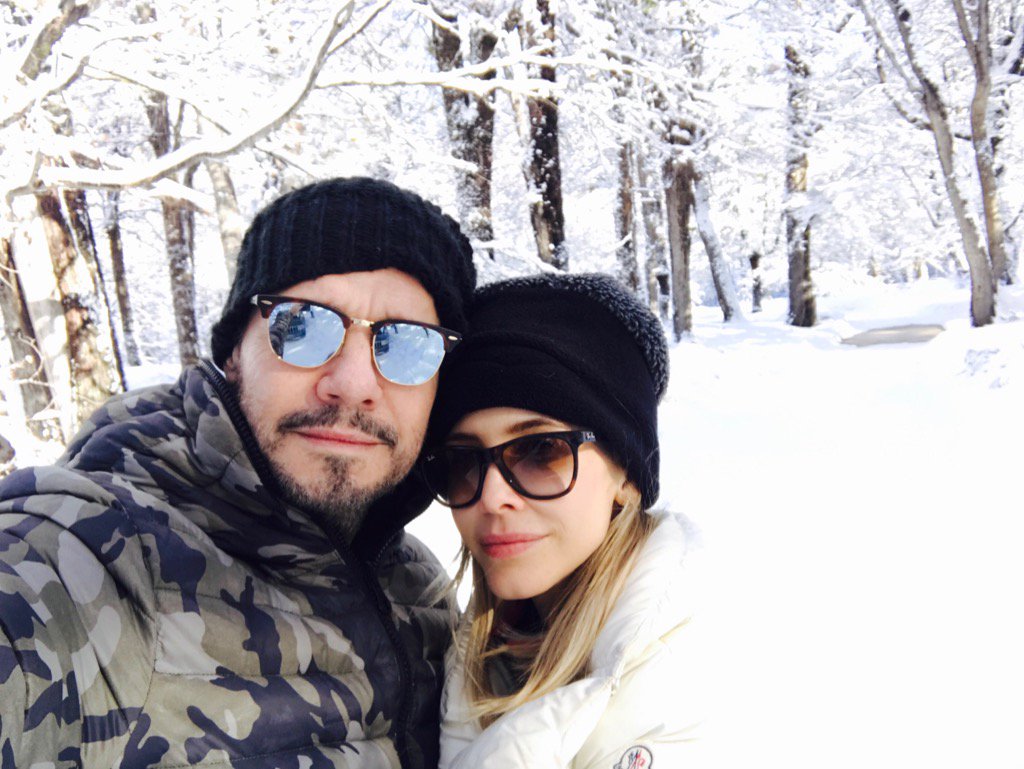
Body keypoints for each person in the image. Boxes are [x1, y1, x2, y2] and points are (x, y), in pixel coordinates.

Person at [0, 177, 476, 769]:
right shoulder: (94, 558)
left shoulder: (421, 587)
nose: (353, 384)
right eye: (303, 326)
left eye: (408, 345)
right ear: (233, 352)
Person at [419, 273, 703, 769]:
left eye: (540, 450)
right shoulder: (474, 653)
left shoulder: (687, 691)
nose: (492, 497)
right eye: (463, 460)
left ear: (627, 475)